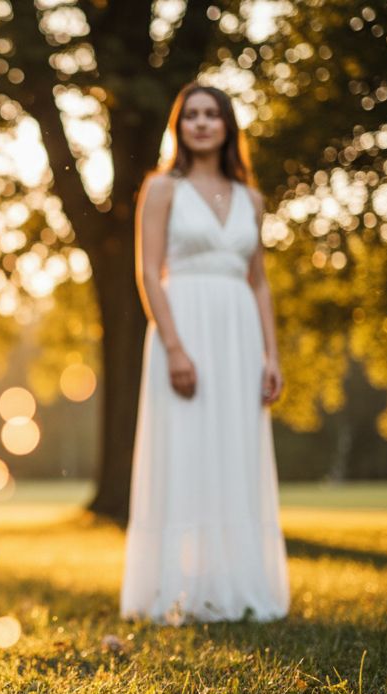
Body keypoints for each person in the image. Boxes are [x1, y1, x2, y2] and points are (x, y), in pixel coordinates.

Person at [119, 83, 290, 625]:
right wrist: (174, 347)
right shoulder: (161, 188)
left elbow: (259, 282)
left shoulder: (252, 199)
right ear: (179, 126)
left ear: (227, 125)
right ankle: (176, 591)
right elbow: (148, 272)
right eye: (190, 114)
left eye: (211, 114)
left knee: (234, 455)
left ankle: (237, 585)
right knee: (186, 451)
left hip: (240, 333)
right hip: (184, 325)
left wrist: (272, 355)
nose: (200, 123)